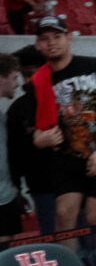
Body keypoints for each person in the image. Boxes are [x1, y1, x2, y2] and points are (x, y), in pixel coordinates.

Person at [27, 16, 96, 250]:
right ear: (38, 44)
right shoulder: (38, 81)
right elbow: (34, 131)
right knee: (63, 215)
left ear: (69, 38)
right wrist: (40, 140)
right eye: (45, 38)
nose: (52, 42)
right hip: (66, 157)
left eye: (57, 36)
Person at [6, 45, 57, 236]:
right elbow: (13, 154)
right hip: (42, 187)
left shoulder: (64, 98)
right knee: (55, 242)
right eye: (22, 75)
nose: (26, 81)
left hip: (76, 185)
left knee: (91, 239)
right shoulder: (18, 109)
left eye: (30, 73)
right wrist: (17, 189)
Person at [0, 54, 26, 242]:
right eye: (14, 77)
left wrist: (14, 190)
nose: (17, 84)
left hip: (6, 196)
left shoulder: (2, 117)